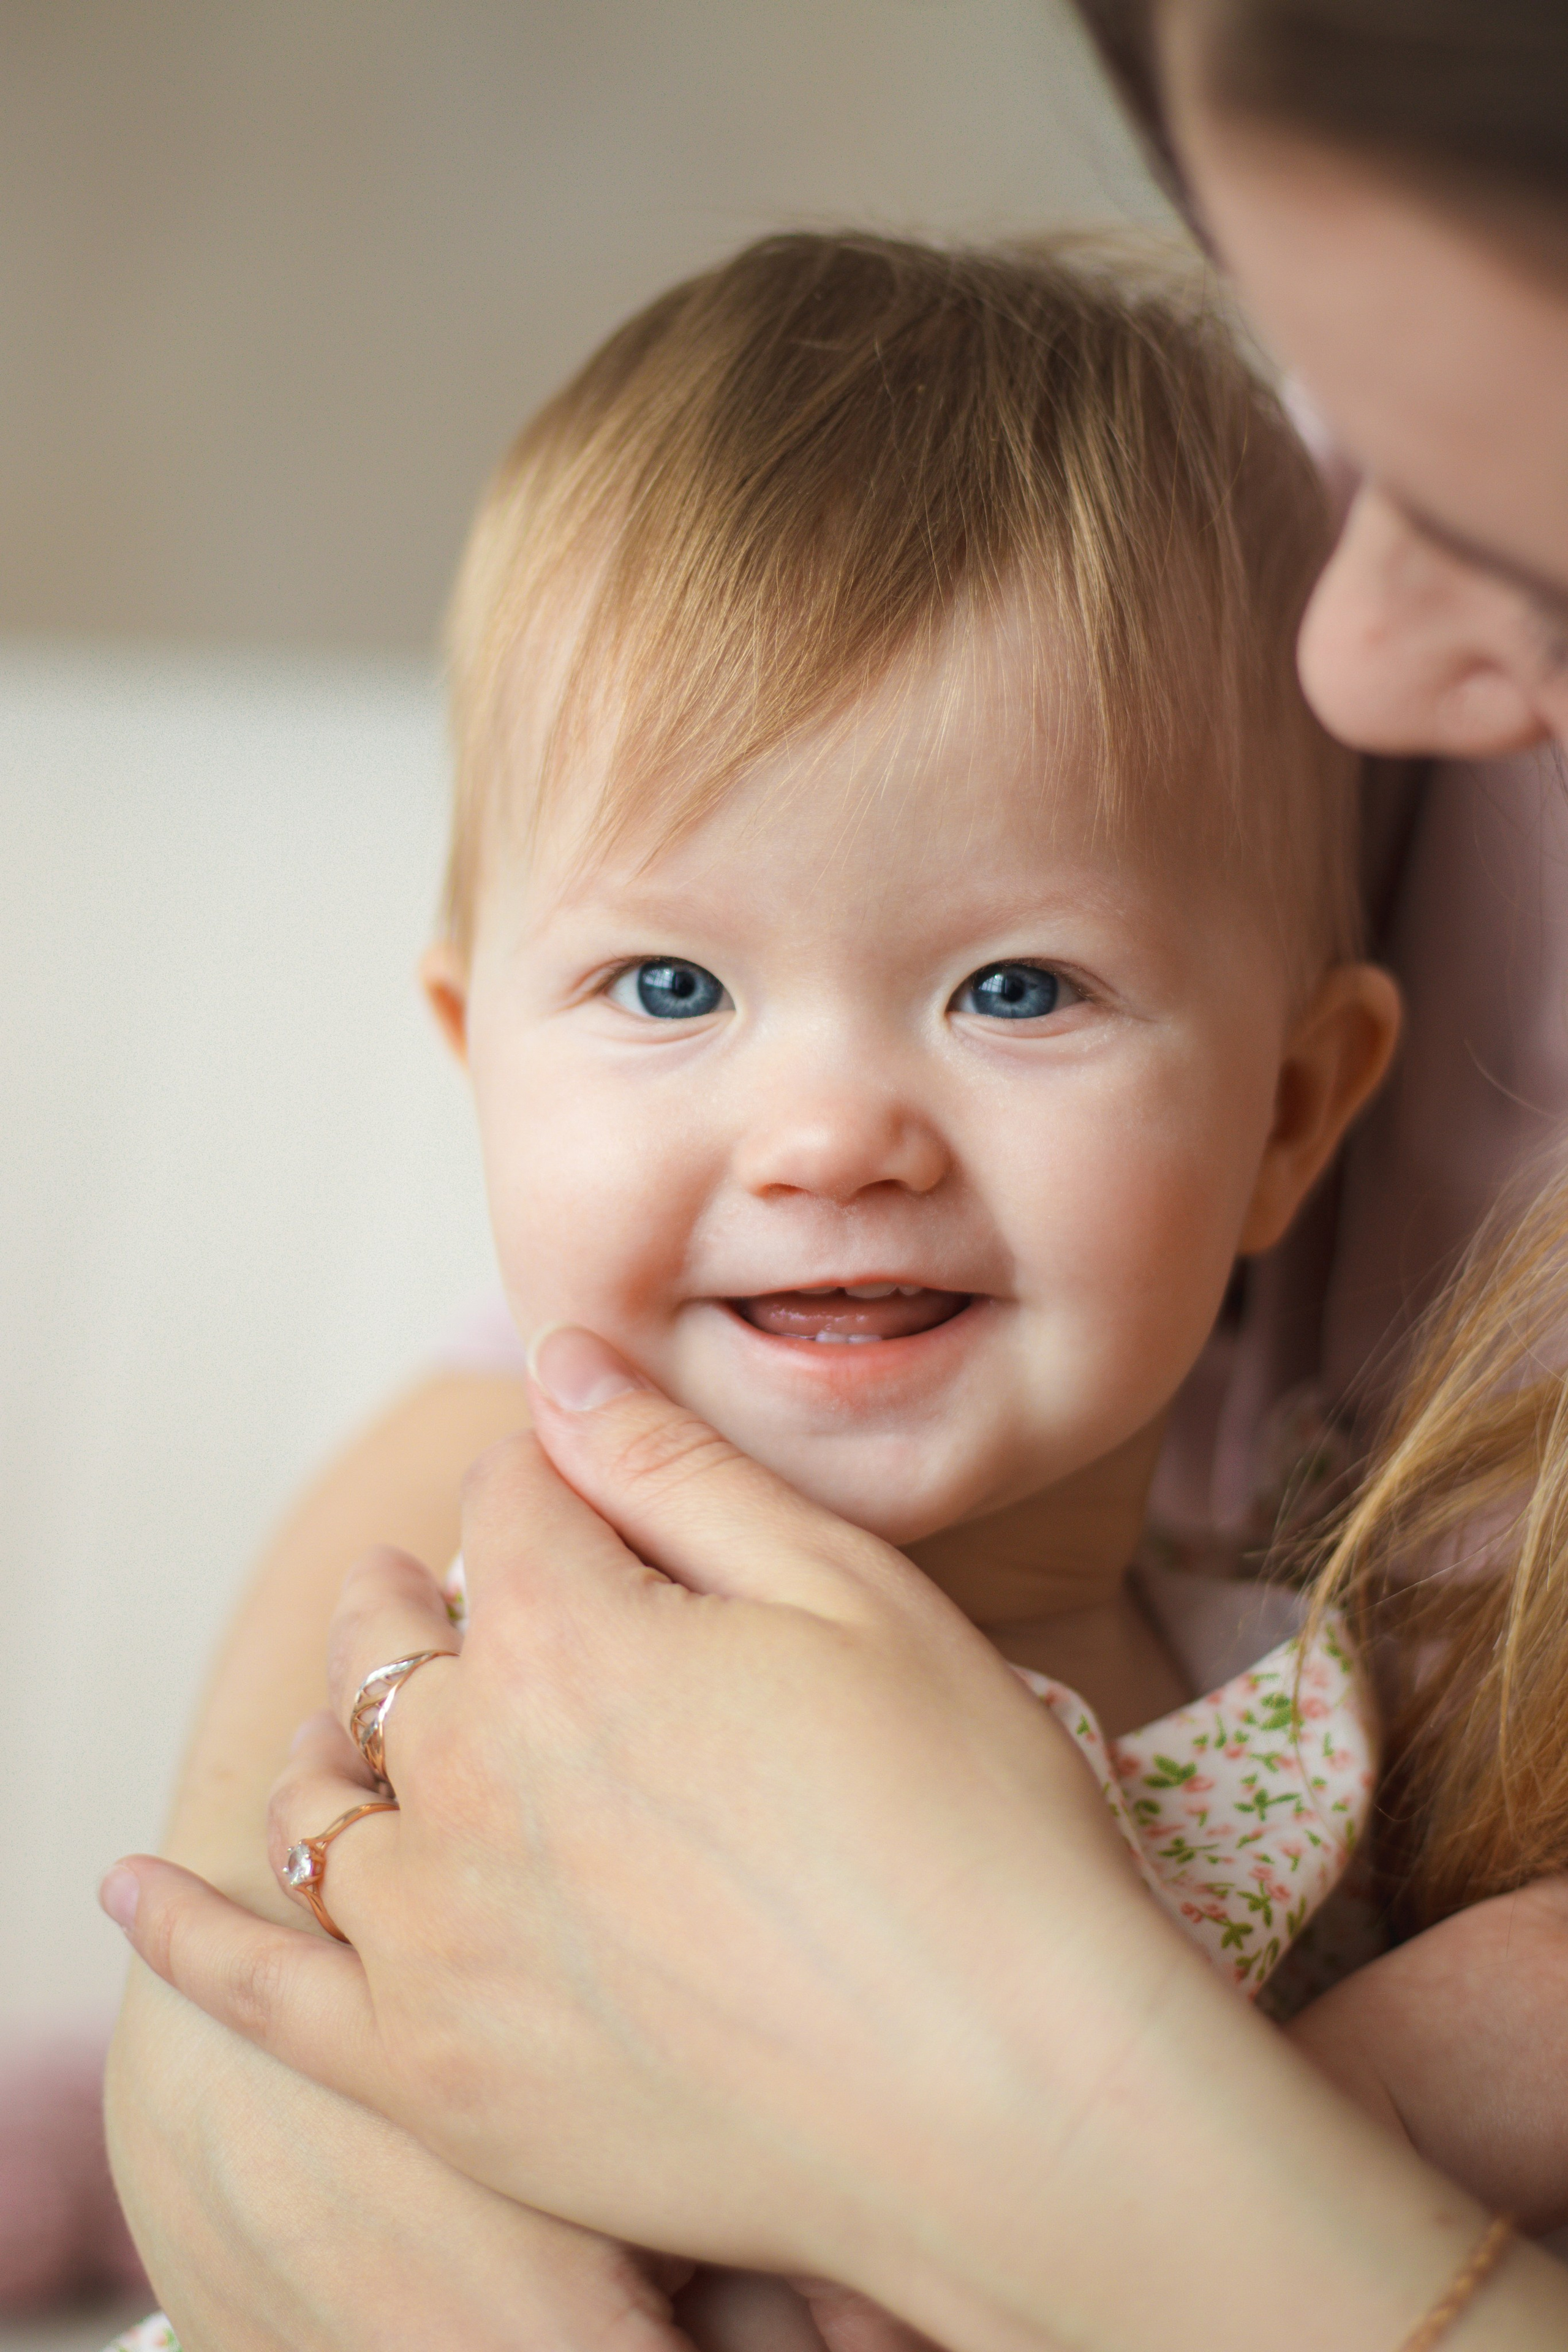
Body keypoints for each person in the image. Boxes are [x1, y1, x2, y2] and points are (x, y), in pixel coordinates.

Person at [99, 6, 1568, 2348]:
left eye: (1018, 990)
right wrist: (182, 2071)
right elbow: (300, 2083)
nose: (831, 1139)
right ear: (478, 1067)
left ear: (1298, 1117)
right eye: (672, 988)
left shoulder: (1310, 1714)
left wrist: (1368, 2098)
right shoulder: (483, 1691)